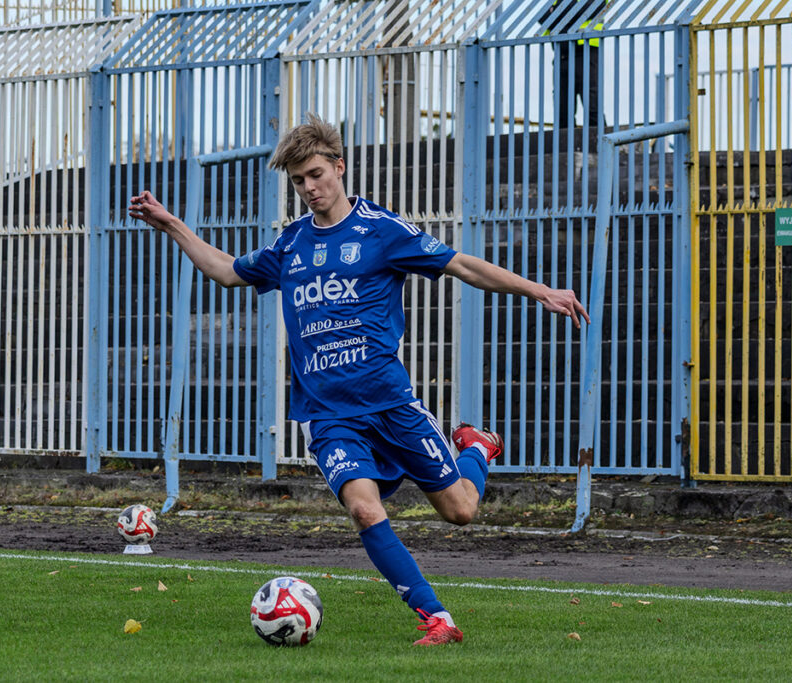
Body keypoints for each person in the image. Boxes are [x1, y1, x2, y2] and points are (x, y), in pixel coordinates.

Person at [129, 114, 589, 646]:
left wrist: (539, 290)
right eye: (298, 180)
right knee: (365, 509)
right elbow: (227, 271)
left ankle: (477, 449)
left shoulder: (381, 230)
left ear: (339, 167)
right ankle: (436, 617)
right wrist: (172, 224)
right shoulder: (290, 244)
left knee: (461, 510)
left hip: (390, 403)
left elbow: (461, 265)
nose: (309, 188)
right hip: (327, 415)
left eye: (316, 174)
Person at [540, 0, 608, 150]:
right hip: (562, 54)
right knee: (562, 108)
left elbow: (589, 8)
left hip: (586, 50)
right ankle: (565, 150)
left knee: (592, 105)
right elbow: (543, 17)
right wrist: (565, 13)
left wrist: (557, 12)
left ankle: (601, 148)